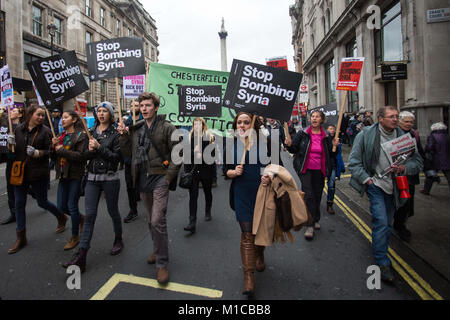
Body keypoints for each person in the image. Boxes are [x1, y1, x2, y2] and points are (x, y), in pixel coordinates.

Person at [348, 106, 422, 282]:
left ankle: (379, 244)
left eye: (397, 116)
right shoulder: (365, 135)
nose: (395, 119)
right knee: (381, 221)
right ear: (380, 119)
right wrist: (367, 179)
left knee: (387, 223)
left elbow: (417, 162)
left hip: (395, 186)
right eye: (391, 116)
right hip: (375, 185)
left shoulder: (405, 137)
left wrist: (405, 167)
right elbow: (354, 162)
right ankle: (382, 261)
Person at [118, 92, 181, 285]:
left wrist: (169, 177)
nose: (143, 108)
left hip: (161, 178)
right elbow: (128, 153)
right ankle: (157, 248)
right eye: (141, 105)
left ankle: (161, 263)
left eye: (147, 105)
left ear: (155, 107)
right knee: (151, 220)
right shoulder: (136, 129)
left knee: (157, 220)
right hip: (142, 179)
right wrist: (123, 136)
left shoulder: (168, 127)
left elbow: (179, 153)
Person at [63, 101, 123, 272]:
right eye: (99, 111)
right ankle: (82, 255)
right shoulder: (91, 132)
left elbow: (116, 158)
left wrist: (99, 147)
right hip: (91, 178)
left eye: (105, 111)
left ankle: (118, 238)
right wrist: (90, 150)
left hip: (110, 179)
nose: (101, 114)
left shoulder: (116, 133)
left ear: (111, 114)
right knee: (90, 216)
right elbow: (84, 156)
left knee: (113, 211)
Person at [6, 104, 68, 254]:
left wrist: (38, 153)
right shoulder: (18, 129)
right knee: (19, 203)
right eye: (38, 115)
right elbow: (12, 155)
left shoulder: (46, 131)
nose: (41, 117)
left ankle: (61, 216)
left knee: (42, 201)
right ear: (30, 114)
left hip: (38, 173)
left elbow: (50, 153)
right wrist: (10, 146)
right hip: (20, 172)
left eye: (42, 115)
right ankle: (21, 237)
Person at [224, 112, 269, 296]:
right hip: (241, 194)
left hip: (261, 194)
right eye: (239, 123)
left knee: (258, 232)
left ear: (252, 124)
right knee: (247, 234)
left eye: (246, 122)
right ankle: (248, 277)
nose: (242, 125)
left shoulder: (265, 144)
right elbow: (225, 171)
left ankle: (260, 253)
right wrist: (233, 172)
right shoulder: (231, 145)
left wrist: (269, 175)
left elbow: (276, 166)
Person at [285, 110, 338, 240]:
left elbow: (332, 155)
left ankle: (315, 218)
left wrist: (335, 146)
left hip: (320, 170)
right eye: (312, 116)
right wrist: (289, 144)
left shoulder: (326, 136)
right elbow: (294, 149)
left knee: (317, 194)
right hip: (305, 169)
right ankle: (309, 225)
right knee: (308, 195)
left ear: (322, 120)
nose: (314, 119)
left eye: (317, 117)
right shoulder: (302, 134)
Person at [51, 110, 88, 250]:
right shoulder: (60, 136)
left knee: (72, 205)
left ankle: (74, 237)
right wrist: (52, 147)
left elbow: (80, 156)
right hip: (62, 175)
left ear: (73, 120)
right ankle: (80, 218)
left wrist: (61, 150)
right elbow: (53, 157)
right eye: (62, 117)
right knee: (61, 206)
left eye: (66, 117)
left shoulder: (80, 135)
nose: (62, 120)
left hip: (75, 175)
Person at [392, 111, 425, 242]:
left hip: (409, 174)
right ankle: (398, 224)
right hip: (396, 174)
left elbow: (419, 152)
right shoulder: (394, 134)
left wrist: (426, 167)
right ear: (399, 121)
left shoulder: (413, 134)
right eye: (406, 121)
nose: (409, 124)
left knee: (408, 201)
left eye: (411, 122)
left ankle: (401, 222)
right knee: (400, 201)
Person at [183, 117, 215, 233]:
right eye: (195, 124)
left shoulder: (210, 137)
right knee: (193, 196)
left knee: (207, 192)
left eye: (199, 124)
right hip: (193, 172)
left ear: (203, 125)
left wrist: (202, 153)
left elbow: (213, 156)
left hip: (206, 171)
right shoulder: (189, 138)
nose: (197, 126)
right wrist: (193, 152)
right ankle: (192, 221)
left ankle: (208, 210)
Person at [122, 100, 143, 223]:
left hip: (142, 157)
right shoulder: (125, 122)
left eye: (136, 105)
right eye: (131, 105)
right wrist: (123, 133)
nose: (133, 107)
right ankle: (133, 210)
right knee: (129, 185)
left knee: (143, 184)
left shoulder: (145, 121)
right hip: (129, 158)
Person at [1, 107, 22, 225]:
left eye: (14, 111)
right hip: (9, 162)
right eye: (10, 111)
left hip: (19, 161)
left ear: (19, 115)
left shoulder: (21, 128)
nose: (11, 112)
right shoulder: (5, 127)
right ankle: (13, 213)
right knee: (10, 187)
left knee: (19, 186)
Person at [420, 122, 450, 195]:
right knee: (448, 175)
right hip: (447, 159)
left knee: (430, 175)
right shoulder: (447, 136)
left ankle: (426, 190)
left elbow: (429, 147)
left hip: (435, 159)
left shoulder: (432, 136)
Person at [325, 124, 345, 215]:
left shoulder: (337, 140)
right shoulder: (324, 138)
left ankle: (330, 204)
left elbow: (338, 155)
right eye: (330, 128)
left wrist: (341, 166)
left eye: (333, 129)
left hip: (333, 165)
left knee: (332, 185)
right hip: (324, 164)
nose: (332, 130)